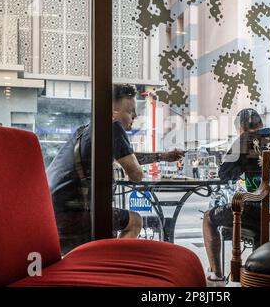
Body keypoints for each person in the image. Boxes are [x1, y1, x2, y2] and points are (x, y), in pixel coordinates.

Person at [47, 84, 184, 253]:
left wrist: (162, 156)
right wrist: (134, 168)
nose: (135, 115)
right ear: (112, 112)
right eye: (130, 111)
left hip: (54, 212)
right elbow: (136, 175)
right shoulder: (113, 127)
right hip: (73, 214)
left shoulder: (87, 130)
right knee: (135, 221)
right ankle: (112, 263)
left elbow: (127, 155)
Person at [202, 108, 270, 283]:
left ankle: (216, 274)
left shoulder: (245, 140)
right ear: (261, 124)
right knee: (258, 212)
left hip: (260, 212)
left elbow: (224, 174)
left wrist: (241, 168)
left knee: (208, 218)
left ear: (241, 127)